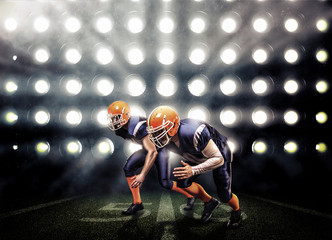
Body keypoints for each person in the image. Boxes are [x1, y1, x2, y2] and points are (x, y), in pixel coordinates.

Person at [146, 105, 242, 228]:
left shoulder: (193, 133)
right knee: (182, 183)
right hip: (195, 154)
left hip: (219, 153)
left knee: (224, 194)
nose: (156, 135)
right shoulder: (165, 138)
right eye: (154, 131)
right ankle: (209, 202)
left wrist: (193, 170)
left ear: (172, 127)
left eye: (159, 131)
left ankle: (236, 211)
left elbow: (218, 159)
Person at [107, 101, 196, 215]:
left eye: (117, 118)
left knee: (165, 183)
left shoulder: (138, 127)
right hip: (148, 148)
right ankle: (137, 203)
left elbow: (153, 151)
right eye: (112, 118)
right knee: (128, 168)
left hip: (159, 149)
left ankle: (190, 195)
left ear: (125, 115)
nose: (114, 121)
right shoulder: (120, 130)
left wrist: (142, 175)